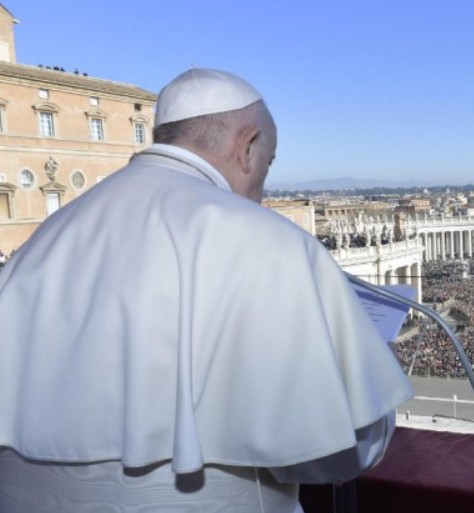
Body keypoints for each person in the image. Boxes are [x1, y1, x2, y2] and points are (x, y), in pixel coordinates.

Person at [0, 68, 414, 512]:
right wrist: (372, 381)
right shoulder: (269, 243)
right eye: (268, 164)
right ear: (247, 147)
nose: (261, 188)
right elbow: (341, 451)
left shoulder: (40, 244)